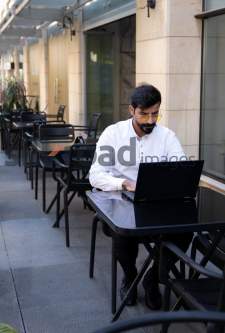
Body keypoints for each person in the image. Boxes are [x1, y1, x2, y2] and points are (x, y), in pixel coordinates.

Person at [89, 83, 192, 310]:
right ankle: (130, 276)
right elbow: (95, 176)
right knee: (123, 234)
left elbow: (181, 169)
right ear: (131, 110)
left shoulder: (167, 136)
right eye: (143, 114)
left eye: (155, 114)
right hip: (121, 201)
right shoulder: (113, 134)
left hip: (157, 205)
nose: (150, 120)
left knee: (185, 232)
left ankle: (152, 279)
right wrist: (125, 183)